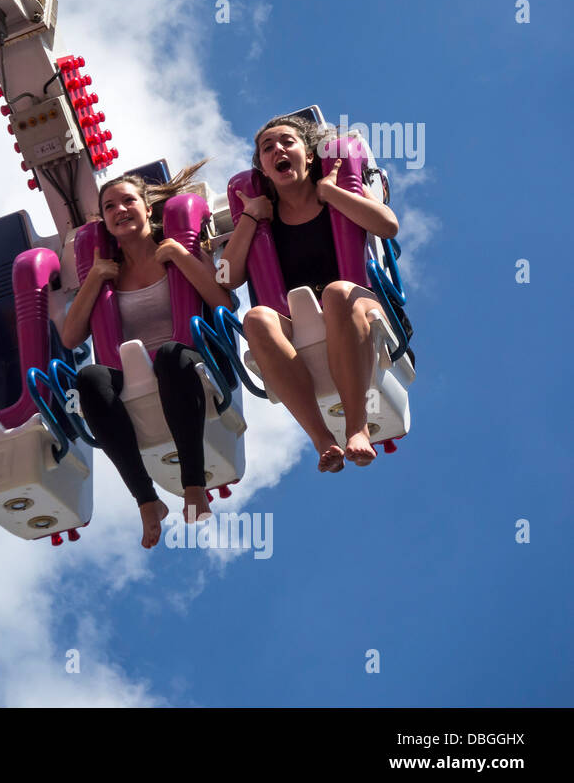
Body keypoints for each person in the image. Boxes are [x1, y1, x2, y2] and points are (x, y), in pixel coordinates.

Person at [62, 164, 235, 549]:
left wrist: (182, 257)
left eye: (128, 201)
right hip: (132, 377)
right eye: (109, 207)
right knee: (89, 378)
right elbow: (71, 336)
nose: (120, 210)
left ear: (147, 208)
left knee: (171, 356)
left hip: (192, 364)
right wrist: (93, 279)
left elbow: (223, 302)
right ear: (104, 221)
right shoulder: (106, 274)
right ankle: (147, 500)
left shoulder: (176, 251)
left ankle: (193, 485)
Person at [219, 114, 400, 473]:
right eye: (267, 149)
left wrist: (332, 193)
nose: (278, 150)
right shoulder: (262, 216)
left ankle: (356, 426)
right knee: (255, 318)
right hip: (295, 318)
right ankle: (321, 438)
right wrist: (250, 218)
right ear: (265, 171)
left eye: (288, 142)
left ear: (309, 154)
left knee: (334, 293)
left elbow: (387, 226)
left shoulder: (338, 187)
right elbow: (225, 277)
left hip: (353, 301)